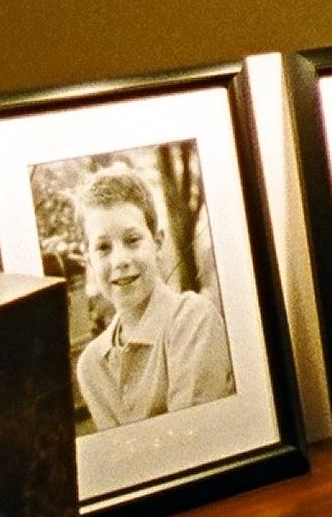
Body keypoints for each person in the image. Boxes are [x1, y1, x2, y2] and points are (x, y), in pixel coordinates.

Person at [74, 166, 235, 429]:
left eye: (132, 240)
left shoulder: (193, 319)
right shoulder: (92, 366)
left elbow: (195, 440)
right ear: (88, 259)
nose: (120, 260)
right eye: (103, 247)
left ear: (157, 243)